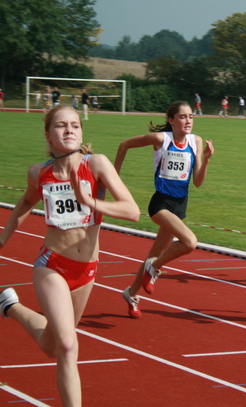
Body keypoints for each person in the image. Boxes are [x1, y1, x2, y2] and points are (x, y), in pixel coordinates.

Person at [0, 104, 139, 406]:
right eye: (61, 125)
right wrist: (3, 239)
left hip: (86, 270)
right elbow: (27, 202)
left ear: (81, 132)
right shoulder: (39, 173)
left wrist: (89, 201)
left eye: (75, 125)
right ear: (48, 135)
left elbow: (132, 211)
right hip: (52, 265)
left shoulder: (97, 164)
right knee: (67, 345)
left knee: (52, 346)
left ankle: (11, 307)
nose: (69, 130)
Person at [115, 101, 214, 318]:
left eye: (191, 116)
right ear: (171, 120)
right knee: (189, 242)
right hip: (160, 203)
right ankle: (155, 268)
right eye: (182, 117)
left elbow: (197, 182)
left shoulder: (195, 141)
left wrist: (205, 160)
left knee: (154, 254)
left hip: (180, 205)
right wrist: (113, 178)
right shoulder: (161, 139)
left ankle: (131, 294)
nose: (188, 121)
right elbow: (124, 145)